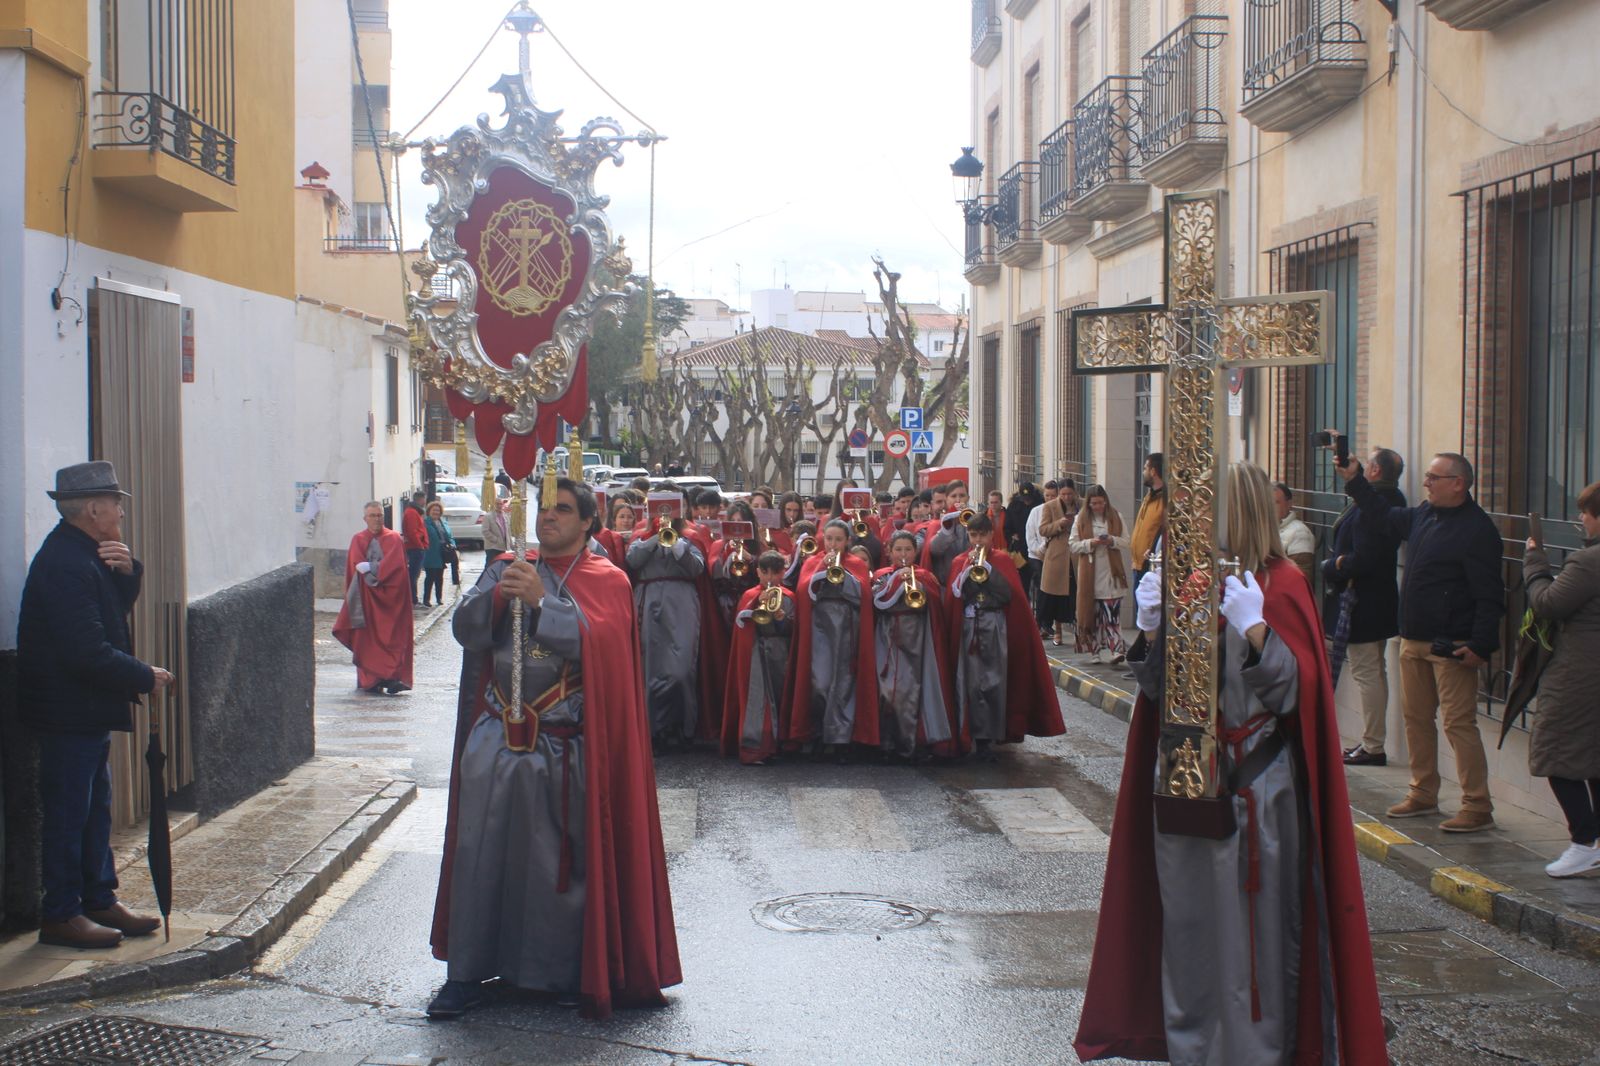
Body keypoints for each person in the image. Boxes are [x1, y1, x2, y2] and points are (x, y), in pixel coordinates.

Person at [1076, 461, 1385, 1065]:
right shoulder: (1192, 582)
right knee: (1189, 932)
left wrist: (1259, 634)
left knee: (1256, 939)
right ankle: (1193, 1047)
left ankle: (1256, 1052)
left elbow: (1296, 695)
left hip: (1258, 787)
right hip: (1189, 787)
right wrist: (1147, 630)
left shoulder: (1283, 583)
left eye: (1203, 507)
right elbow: (1161, 693)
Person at [427, 477, 681, 1019]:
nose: (550, 518)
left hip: (566, 743)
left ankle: (562, 973)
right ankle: (467, 974)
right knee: (480, 854)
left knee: (558, 865)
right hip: (496, 736)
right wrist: (500, 590)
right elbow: (467, 631)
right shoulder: (506, 567)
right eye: (545, 509)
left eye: (564, 510)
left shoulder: (606, 579)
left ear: (589, 522)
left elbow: (604, 644)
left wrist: (544, 604)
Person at [18, 461, 170, 949]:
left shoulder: (89, 552)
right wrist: (143, 675)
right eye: (116, 503)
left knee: (94, 809)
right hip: (67, 710)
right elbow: (85, 649)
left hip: (84, 708)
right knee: (69, 812)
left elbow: (109, 615)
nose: (122, 512)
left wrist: (127, 574)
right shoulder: (65, 561)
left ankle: (98, 899)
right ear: (92, 509)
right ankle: (61, 913)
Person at [1336, 448, 1503, 832]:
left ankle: (1477, 806)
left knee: (1459, 725)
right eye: (1427, 476)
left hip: (1453, 646)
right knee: (1415, 720)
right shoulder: (1425, 515)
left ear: (1458, 484)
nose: (1425, 483)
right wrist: (1355, 479)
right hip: (1413, 640)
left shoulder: (1478, 530)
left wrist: (1480, 643)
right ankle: (1423, 792)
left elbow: (1490, 593)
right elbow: (1381, 516)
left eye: (1434, 477)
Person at [1520, 480, 1600, 878]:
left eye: (1585, 513)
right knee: (1594, 758)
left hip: (1580, 673)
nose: (1581, 520)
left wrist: (1535, 564)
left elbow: (1548, 604)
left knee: (1554, 750)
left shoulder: (1589, 562)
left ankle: (1583, 841)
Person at [945, 515, 1065, 759]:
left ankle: (990, 735)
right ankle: (971, 732)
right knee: (969, 680)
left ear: (991, 535)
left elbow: (1010, 596)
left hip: (994, 623)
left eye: (983, 535)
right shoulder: (960, 560)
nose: (978, 541)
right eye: (973, 535)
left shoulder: (1001, 560)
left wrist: (989, 572)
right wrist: (965, 575)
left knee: (992, 680)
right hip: (969, 624)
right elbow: (954, 596)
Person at [1325, 448, 1406, 768]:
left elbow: (1366, 555)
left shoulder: (1381, 503)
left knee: (1367, 671)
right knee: (1372, 670)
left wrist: (1334, 565)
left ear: (1373, 470)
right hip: (1374, 598)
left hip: (1365, 599)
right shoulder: (1383, 498)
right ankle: (1371, 741)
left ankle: (1373, 745)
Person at [784, 519, 880, 758]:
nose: (834, 544)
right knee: (820, 680)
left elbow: (863, 596)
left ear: (847, 541)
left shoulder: (855, 564)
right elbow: (804, 593)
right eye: (829, 539)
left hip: (847, 624)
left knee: (845, 681)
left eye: (839, 539)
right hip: (820, 625)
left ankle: (840, 739)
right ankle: (818, 732)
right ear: (822, 540)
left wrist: (843, 575)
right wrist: (820, 572)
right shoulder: (813, 561)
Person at [627, 495, 712, 751]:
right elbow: (632, 561)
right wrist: (654, 537)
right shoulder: (640, 536)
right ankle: (654, 729)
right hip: (649, 600)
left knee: (682, 668)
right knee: (650, 667)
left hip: (681, 601)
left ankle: (684, 725)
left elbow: (697, 568)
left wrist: (677, 544)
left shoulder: (690, 537)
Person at [872, 532, 957, 761]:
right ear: (889, 551)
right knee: (885, 690)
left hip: (917, 637)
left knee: (912, 690)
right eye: (898, 549)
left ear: (915, 552)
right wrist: (894, 582)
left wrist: (916, 585)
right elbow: (875, 602)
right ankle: (886, 743)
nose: (903, 554)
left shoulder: (925, 576)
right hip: (886, 635)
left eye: (907, 549)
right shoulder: (881, 575)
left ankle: (911, 744)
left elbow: (935, 605)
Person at [721, 552, 795, 765]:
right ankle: (756, 747)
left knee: (779, 697)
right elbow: (741, 624)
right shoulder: (749, 594)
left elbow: (794, 629)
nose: (770, 577)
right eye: (765, 572)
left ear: (783, 573)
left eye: (775, 572)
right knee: (757, 699)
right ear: (758, 573)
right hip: (755, 649)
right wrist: (756, 604)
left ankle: (778, 743)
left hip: (779, 649)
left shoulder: (788, 596)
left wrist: (782, 619)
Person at [334, 502, 415, 695]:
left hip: (392, 601)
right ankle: (370, 679)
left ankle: (393, 677)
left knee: (394, 637)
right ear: (365, 518)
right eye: (372, 515)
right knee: (367, 638)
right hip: (367, 601)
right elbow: (355, 567)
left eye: (379, 515)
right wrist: (368, 575)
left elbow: (397, 567)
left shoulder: (394, 538)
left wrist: (373, 569)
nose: (377, 519)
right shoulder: (358, 539)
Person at [1070, 486, 1131, 663]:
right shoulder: (1080, 520)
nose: (1098, 507)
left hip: (1112, 574)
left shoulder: (1116, 516)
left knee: (1112, 615)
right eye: (1094, 503)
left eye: (1101, 503)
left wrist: (1112, 540)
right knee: (1092, 615)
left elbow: (1126, 541)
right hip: (1090, 575)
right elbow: (1073, 544)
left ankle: (1117, 650)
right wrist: (1091, 543)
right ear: (1088, 504)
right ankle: (1094, 651)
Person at [1036, 480, 1078, 646]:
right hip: (1057, 554)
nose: (1066, 497)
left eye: (1069, 494)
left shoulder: (1081, 505)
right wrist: (1058, 524)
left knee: (1075, 594)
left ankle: (1079, 631)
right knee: (1055, 595)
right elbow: (1043, 529)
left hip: (1076, 554)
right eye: (1063, 494)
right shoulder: (1050, 507)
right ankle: (1057, 630)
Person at [1129, 453, 1166, 581]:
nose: (1143, 472)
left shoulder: (1165, 501)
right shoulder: (1149, 497)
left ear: (1153, 471)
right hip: (1138, 564)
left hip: (1150, 566)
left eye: (1145, 468)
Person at [1273, 482, 1317, 584]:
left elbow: (1300, 578)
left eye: (1275, 502)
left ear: (1289, 504)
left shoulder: (1299, 532)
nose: (1269, 508)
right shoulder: (1264, 530)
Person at [421, 500, 456, 608]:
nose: (436, 512)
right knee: (430, 577)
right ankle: (426, 599)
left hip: (442, 553)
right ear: (429, 511)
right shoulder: (425, 523)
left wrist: (452, 544)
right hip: (430, 554)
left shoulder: (443, 522)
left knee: (439, 577)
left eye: (437, 510)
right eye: (433, 510)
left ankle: (439, 598)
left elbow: (449, 536)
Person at [402, 491, 430, 606]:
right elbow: (413, 532)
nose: (425, 502)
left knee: (414, 574)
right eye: (424, 499)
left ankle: (412, 597)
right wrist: (420, 545)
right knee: (413, 574)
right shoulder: (412, 513)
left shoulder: (413, 512)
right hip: (415, 548)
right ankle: (412, 598)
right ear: (420, 500)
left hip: (417, 547)